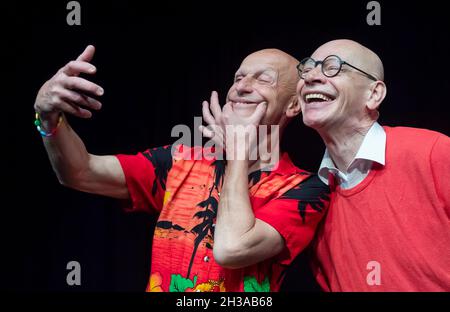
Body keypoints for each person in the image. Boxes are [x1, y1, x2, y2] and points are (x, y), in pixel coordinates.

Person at [34, 45, 330, 292]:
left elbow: (232, 250)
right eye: (238, 77)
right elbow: (80, 172)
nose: (241, 86)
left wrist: (238, 153)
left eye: (262, 79)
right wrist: (46, 117)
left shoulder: (306, 189)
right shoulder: (181, 161)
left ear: (293, 105)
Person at [296, 39, 450, 291]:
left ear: (374, 94)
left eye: (332, 67)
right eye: (307, 68)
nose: (312, 76)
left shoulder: (432, 152)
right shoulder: (314, 201)